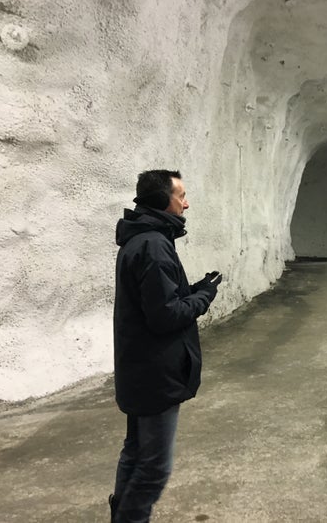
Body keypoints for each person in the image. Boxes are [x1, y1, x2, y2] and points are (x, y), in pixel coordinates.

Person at [110, 169, 223, 522]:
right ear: (162, 200)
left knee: (135, 452)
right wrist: (204, 297)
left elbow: (159, 301)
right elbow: (165, 316)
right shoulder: (154, 245)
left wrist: (192, 289)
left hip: (139, 368)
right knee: (155, 468)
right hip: (156, 372)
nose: (186, 203)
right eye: (181, 196)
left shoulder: (142, 239)